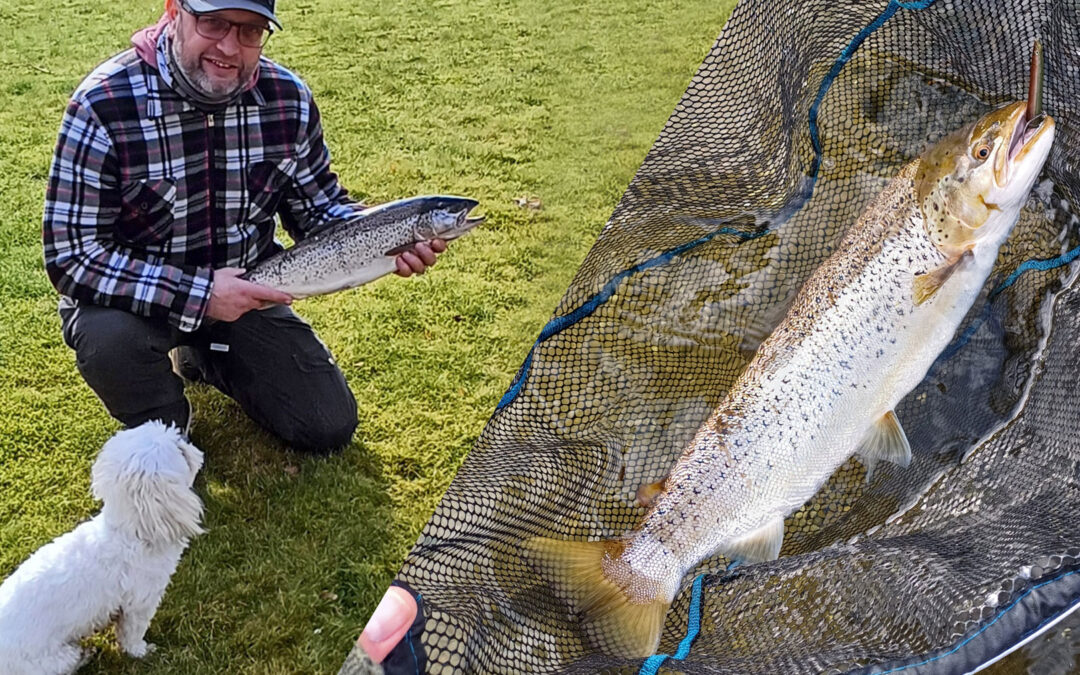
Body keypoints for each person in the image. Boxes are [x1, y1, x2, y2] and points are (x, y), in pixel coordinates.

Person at [42, 0, 446, 454]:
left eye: (251, 31)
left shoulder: (287, 98)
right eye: (213, 23)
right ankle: (162, 428)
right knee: (109, 340)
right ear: (174, 11)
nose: (230, 47)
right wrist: (201, 294)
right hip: (135, 306)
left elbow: (321, 213)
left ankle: (201, 355)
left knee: (327, 425)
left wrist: (393, 236)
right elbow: (72, 256)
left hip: (249, 295)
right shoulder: (103, 103)